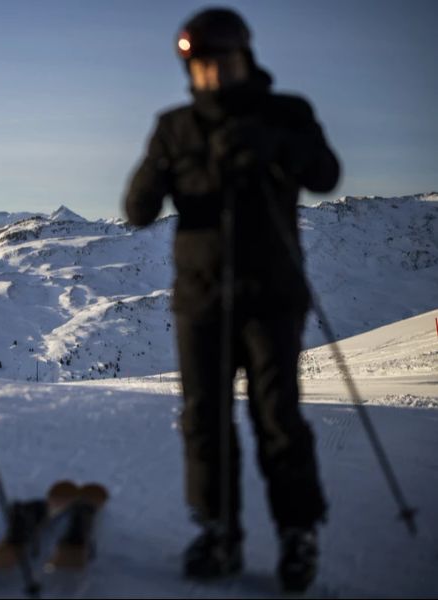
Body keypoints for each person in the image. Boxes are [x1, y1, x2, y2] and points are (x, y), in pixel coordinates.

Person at [123, 7, 339, 593]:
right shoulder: (175, 127)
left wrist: (275, 145)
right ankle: (218, 530)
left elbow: (325, 174)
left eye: (218, 62)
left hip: (272, 294)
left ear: (244, 57)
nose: (209, 76)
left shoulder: (286, 113)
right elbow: (136, 209)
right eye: (198, 66)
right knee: (204, 419)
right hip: (200, 298)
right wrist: (160, 170)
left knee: (277, 416)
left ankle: (298, 534)